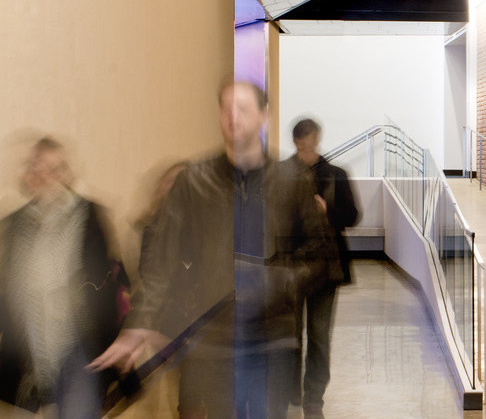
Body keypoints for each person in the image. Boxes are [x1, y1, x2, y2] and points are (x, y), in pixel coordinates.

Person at [89, 82, 338, 419]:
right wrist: (140, 323)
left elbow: (321, 255)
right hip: (216, 341)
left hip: (274, 339)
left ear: (264, 115)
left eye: (243, 109)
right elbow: (161, 261)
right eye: (226, 109)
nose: (232, 117)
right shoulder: (193, 182)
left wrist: (280, 281)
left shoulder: (291, 180)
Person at [0, 137, 128, 418]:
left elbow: (109, 282)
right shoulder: (15, 224)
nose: (42, 174)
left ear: (65, 173)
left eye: (52, 167)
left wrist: (120, 337)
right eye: (35, 166)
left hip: (79, 346)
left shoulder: (88, 214)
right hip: (34, 354)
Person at [283, 118, 359, 419]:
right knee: (291, 335)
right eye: (302, 144)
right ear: (295, 142)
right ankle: (291, 391)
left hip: (327, 268)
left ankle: (313, 396)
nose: (307, 149)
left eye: (311, 142)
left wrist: (328, 211)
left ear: (318, 139)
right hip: (290, 268)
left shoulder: (336, 175)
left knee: (318, 334)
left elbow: (352, 216)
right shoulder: (280, 176)